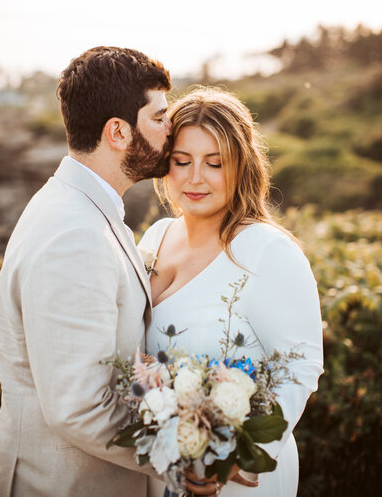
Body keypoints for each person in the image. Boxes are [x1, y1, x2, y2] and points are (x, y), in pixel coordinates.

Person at [0, 46, 175, 497]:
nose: (173, 129)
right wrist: (184, 456)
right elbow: (79, 407)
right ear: (118, 132)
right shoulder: (75, 234)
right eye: (159, 118)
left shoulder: (80, 207)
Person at [138, 87, 324, 497]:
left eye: (215, 163)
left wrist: (242, 453)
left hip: (236, 479)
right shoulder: (155, 236)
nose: (195, 178)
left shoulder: (267, 251)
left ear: (241, 166)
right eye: (181, 161)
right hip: (161, 471)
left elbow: (301, 364)